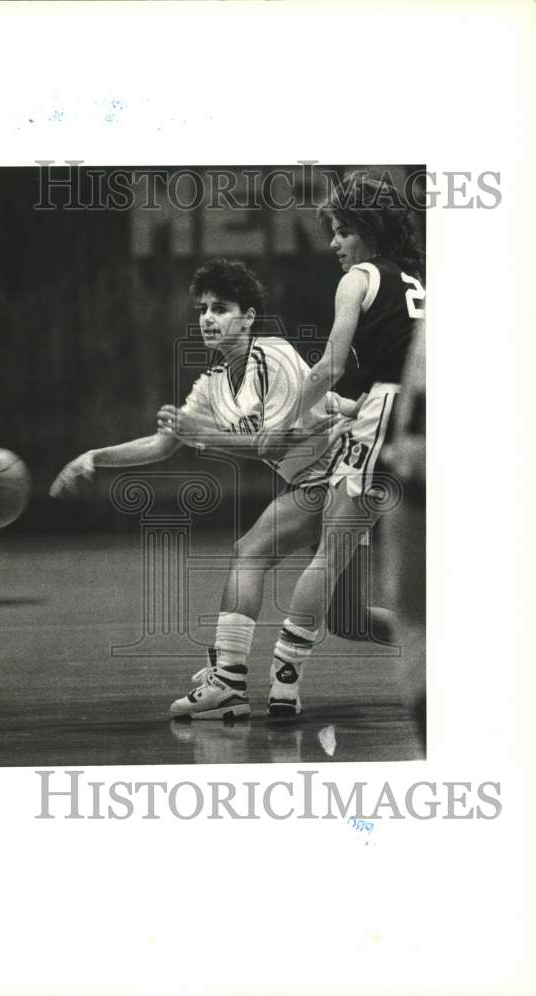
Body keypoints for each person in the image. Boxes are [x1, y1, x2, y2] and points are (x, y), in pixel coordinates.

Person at [50, 257, 384, 720]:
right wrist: (96, 457)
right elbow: (165, 444)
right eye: (203, 308)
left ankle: (228, 681)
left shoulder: (275, 356)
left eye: (221, 308)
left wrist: (202, 434)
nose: (208, 317)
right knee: (353, 620)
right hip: (316, 480)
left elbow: (274, 444)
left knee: (250, 552)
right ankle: (445, 642)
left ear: (248, 317)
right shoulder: (210, 385)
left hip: (345, 469)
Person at [263, 174, 426, 719]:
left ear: (367, 230)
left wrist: (288, 415)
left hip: (391, 417)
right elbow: (398, 361)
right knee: (351, 613)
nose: (335, 243)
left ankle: (282, 680)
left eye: (342, 231)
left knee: (330, 553)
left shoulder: (359, 278)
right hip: (422, 416)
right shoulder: (422, 279)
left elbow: (331, 365)